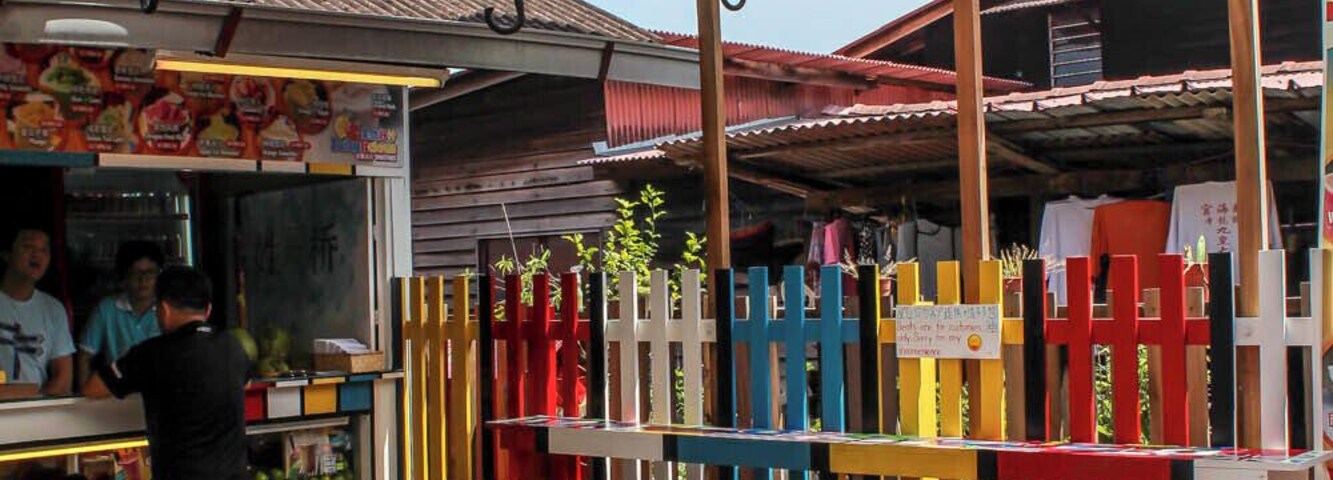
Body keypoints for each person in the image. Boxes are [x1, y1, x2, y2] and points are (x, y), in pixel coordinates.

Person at [83, 267, 249, 480]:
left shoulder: (151, 353)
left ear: (163, 309)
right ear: (207, 310)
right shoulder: (233, 346)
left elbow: (93, 388)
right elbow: (245, 384)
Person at [76, 241, 164, 386]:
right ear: (124, 275)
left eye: (149, 273)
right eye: (136, 273)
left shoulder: (167, 307)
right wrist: (84, 395)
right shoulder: (106, 308)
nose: (143, 280)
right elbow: (85, 355)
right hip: (117, 394)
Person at [0, 226, 74, 396]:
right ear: (7, 254)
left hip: (36, 413)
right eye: (28, 247)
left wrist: (36, 405)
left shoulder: (53, 309)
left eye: (44, 250)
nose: (37, 254)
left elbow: (63, 379)